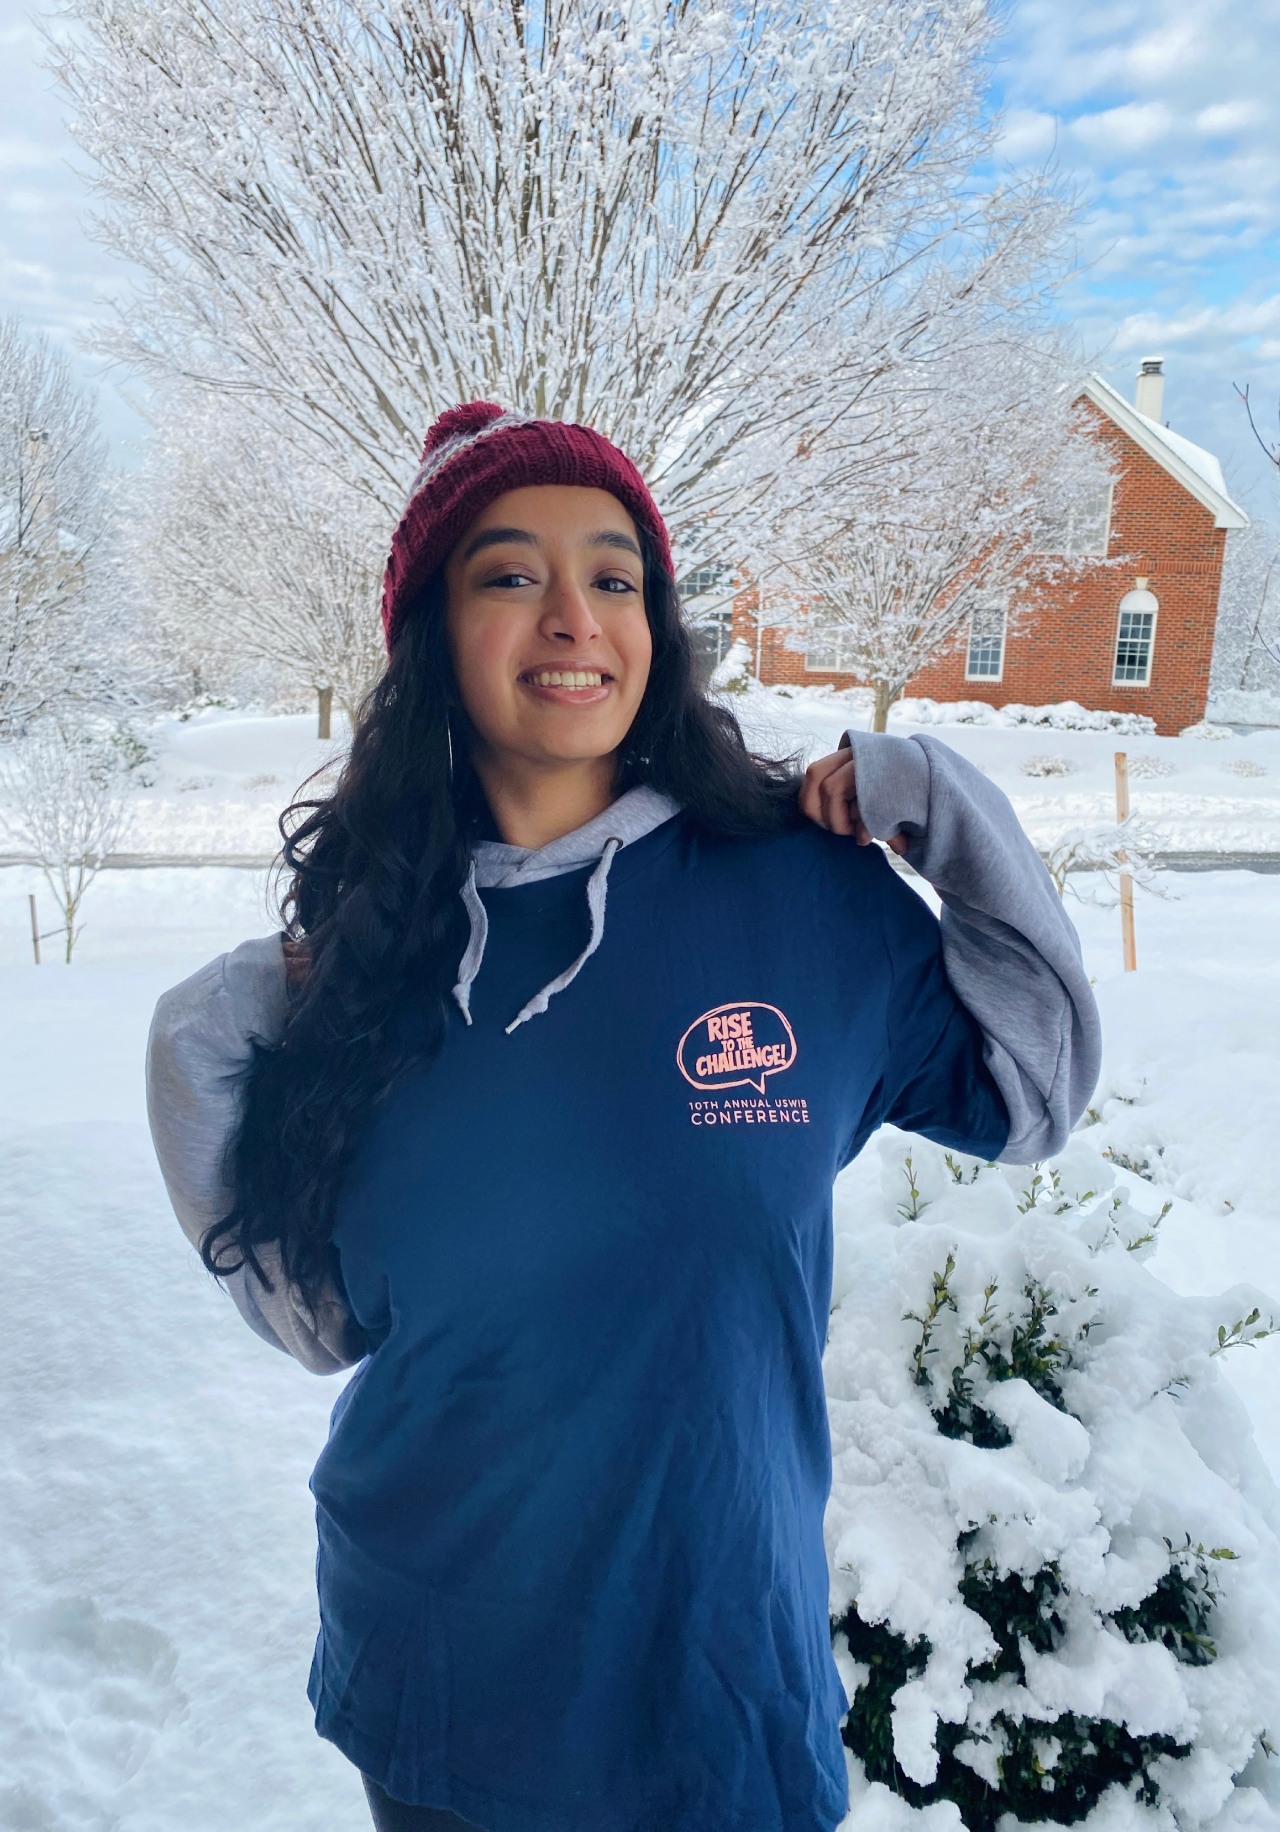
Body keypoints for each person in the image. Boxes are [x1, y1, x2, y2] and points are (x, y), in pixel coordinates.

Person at [145, 401, 1101, 1832]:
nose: (571, 618)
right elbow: (320, 1327)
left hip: (722, 1692)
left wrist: (940, 804)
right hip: (437, 1683)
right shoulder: (370, 963)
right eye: (509, 575)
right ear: (432, 637)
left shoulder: (800, 895)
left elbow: (1039, 1088)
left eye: (614, 575)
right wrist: (221, 1020)